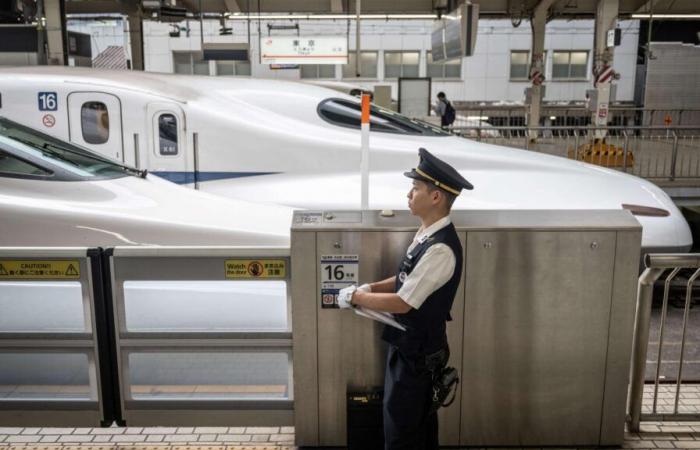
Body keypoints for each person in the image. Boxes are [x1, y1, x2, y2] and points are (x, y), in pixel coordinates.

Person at [337, 147, 473, 450]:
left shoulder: (440, 249)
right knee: (410, 427)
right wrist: (371, 288)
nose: (408, 195)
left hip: (418, 360)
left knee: (403, 433)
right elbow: (404, 281)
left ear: (435, 197)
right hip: (409, 350)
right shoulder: (426, 233)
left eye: (415, 188)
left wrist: (357, 297)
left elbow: (403, 301)